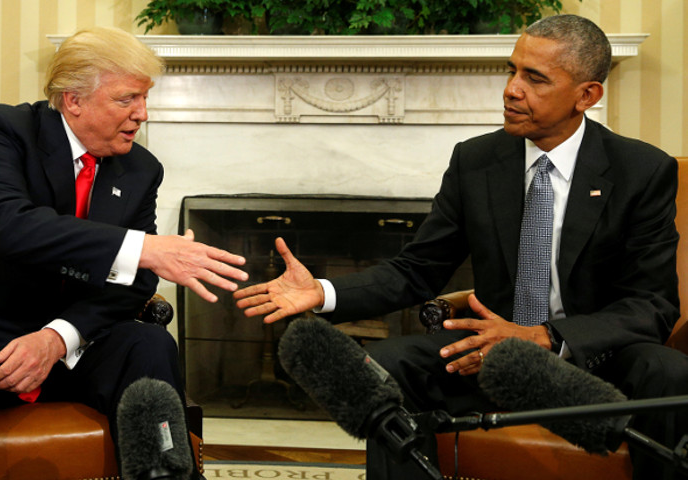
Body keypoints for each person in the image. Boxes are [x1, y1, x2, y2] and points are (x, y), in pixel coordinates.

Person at [235, 14, 688, 480]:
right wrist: (324, 293)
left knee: (669, 372)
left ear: (587, 95)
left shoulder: (641, 171)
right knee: (385, 366)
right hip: (485, 357)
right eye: (511, 71)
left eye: (534, 78)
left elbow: (651, 304)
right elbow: (418, 268)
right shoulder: (476, 161)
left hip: (595, 363)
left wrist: (548, 337)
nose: (512, 89)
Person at [0, 26, 247, 479]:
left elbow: (135, 283)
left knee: (148, 342)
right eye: (126, 99)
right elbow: (10, 227)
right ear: (73, 100)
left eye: (144, 99)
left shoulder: (140, 169)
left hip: (70, 345)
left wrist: (57, 338)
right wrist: (143, 247)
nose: (142, 115)